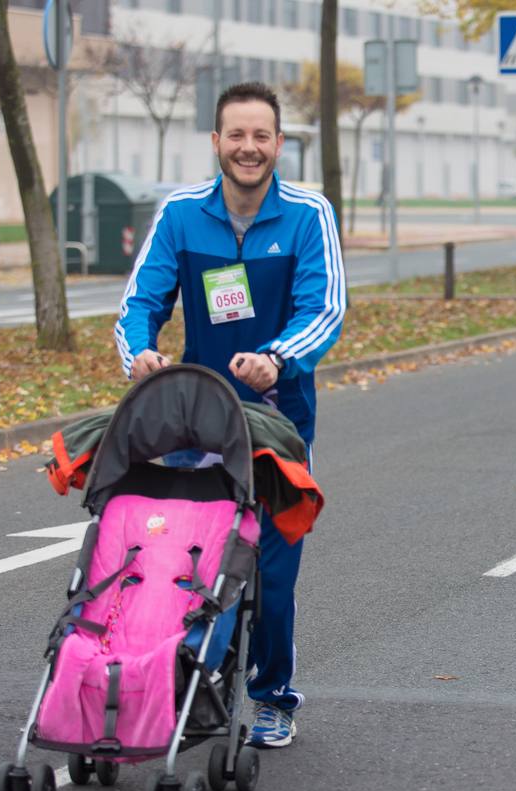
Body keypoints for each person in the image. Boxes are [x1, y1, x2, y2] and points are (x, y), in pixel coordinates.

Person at [115, 82, 346, 748]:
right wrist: (140, 354)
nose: (249, 148)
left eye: (261, 136)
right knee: (182, 558)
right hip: (196, 420)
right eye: (236, 136)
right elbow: (140, 302)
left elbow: (324, 308)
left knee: (271, 573)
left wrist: (278, 357)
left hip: (276, 426)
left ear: (279, 143)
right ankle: (181, 680)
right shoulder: (182, 215)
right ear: (216, 142)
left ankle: (272, 695)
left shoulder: (307, 214)